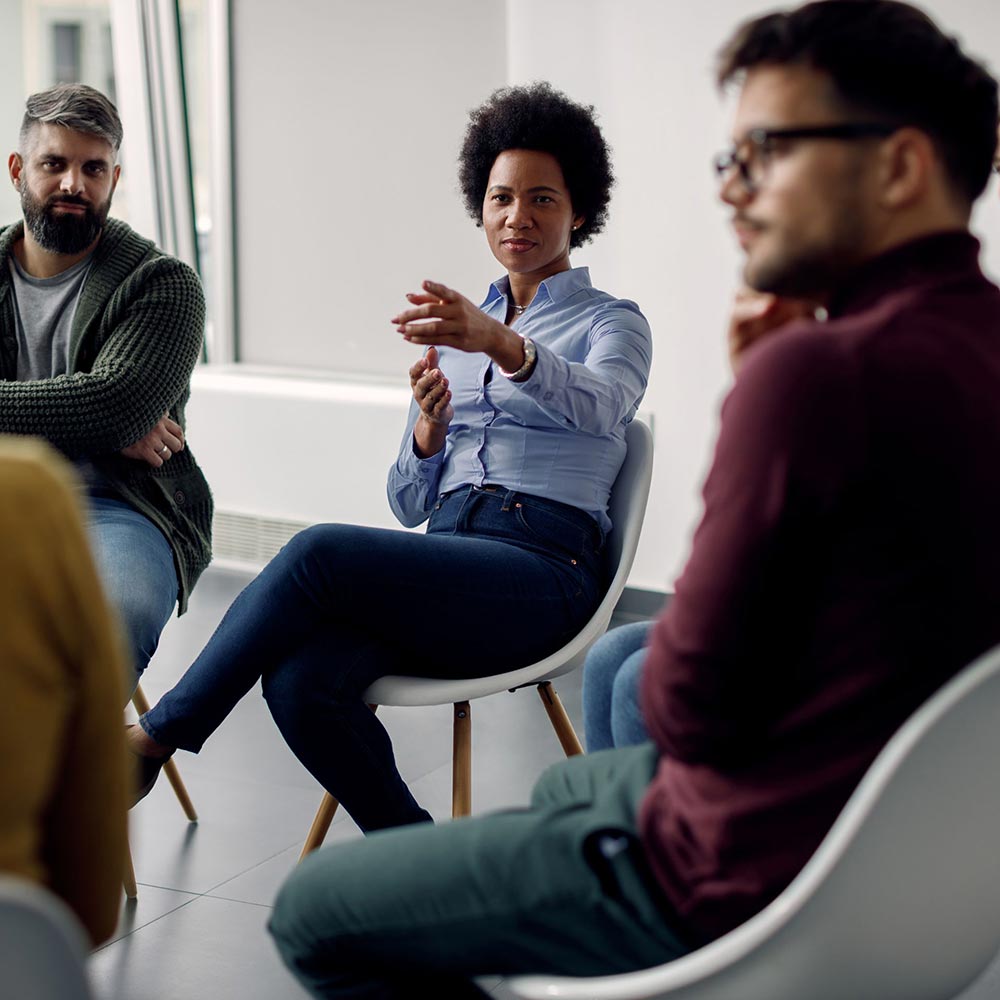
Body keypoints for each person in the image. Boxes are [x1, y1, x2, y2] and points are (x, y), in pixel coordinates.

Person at [265, 3, 1000, 997]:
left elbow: (688, 703)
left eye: (765, 152)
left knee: (314, 909)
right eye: (727, 160)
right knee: (573, 765)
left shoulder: (816, 374)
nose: (734, 193)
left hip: (737, 869)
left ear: (901, 167)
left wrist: (761, 394)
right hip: (906, 860)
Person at [126, 82, 653, 834]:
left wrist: (500, 344)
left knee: (317, 554)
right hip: (452, 562)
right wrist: (426, 439)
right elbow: (406, 505)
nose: (517, 217)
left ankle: (155, 738)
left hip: (545, 575)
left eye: (542, 199)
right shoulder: (457, 330)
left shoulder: (614, 324)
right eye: (501, 198)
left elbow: (606, 405)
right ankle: (416, 853)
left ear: (579, 210)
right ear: (482, 207)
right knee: (303, 681)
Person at [0, 83, 212, 697]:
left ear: (114, 177)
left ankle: (64, 787)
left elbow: (112, 406)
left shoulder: (163, 285)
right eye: (54, 163)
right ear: (18, 169)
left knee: (104, 626)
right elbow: (103, 414)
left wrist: (112, 415)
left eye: (93, 168)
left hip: (119, 506)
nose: (74, 183)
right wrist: (96, 419)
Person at [0, 436, 128, 947]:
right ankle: (156, 738)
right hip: (19, 947)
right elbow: (87, 911)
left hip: (128, 504)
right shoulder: (26, 494)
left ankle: (159, 735)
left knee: (126, 607)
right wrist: (107, 429)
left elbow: (120, 401)